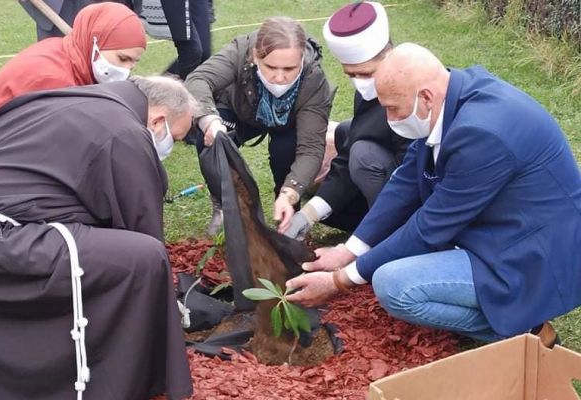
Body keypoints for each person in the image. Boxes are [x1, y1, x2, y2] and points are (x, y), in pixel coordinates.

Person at [286, 43, 581, 348]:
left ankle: (522, 331)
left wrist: (339, 280)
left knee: (394, 285)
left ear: (424, 97)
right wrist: (350, 250)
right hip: (506, 229)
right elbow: (406, 182)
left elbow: (429, 227)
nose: (389, 119)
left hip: (537, 254)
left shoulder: (481, 135)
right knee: (395, 259)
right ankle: (510, 317)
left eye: (391, 108)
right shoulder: (451, 96)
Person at [0, 75, 197, 399]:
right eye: (175, 138)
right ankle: (110, 380)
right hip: (0, 241)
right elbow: (142, 228)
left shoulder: (74, 98)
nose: (171, 145)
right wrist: (170, 300)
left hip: (0, 227)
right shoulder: (125, 132)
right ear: (158, 119)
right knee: (143, 258)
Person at [184, 16, 334, 235]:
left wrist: (291, 192)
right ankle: (223, 205)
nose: (280, 77)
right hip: (240, 111)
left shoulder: (314, 80)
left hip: (288, 123)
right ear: (255, 56)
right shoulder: (240, 50)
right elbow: (198, 80)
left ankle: (287, 216)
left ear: (302, 59)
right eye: (271, 67)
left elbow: (311, 149)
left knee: (286, 151)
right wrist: (211, 121)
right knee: (209, 139)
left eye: (290, 68)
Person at [283, 1, 411, 240]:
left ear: (389, 55)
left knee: (364, 153)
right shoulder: (366, 93)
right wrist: (309, 214)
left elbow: (411, 172)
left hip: (414, 190)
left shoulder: (413, 92)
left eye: (365, 73)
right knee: (346, 132)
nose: (359, 82)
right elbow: (348, 150)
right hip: (390, 176)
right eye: (351, 74)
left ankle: (392, 233)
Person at [0, 2, 146, 126]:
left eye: (133, 62)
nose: (126, 70)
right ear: (95, 43)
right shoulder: (52, 80)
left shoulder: (70, 54)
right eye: (122, 59)